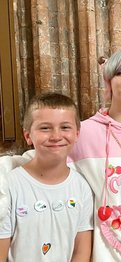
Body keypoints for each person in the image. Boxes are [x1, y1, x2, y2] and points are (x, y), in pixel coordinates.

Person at [0, 49, 121, 261]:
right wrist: (4, 170)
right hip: (104, 251)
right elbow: (43, 161)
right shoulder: (84, 132)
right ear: (109, 81)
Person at [0, 93, 94, 261]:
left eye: (65, 127)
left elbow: (81, 252)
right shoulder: (9, 186)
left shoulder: (82, 187)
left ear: (77, 134)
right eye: (45, 128)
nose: (56, 136)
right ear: (28, 136)